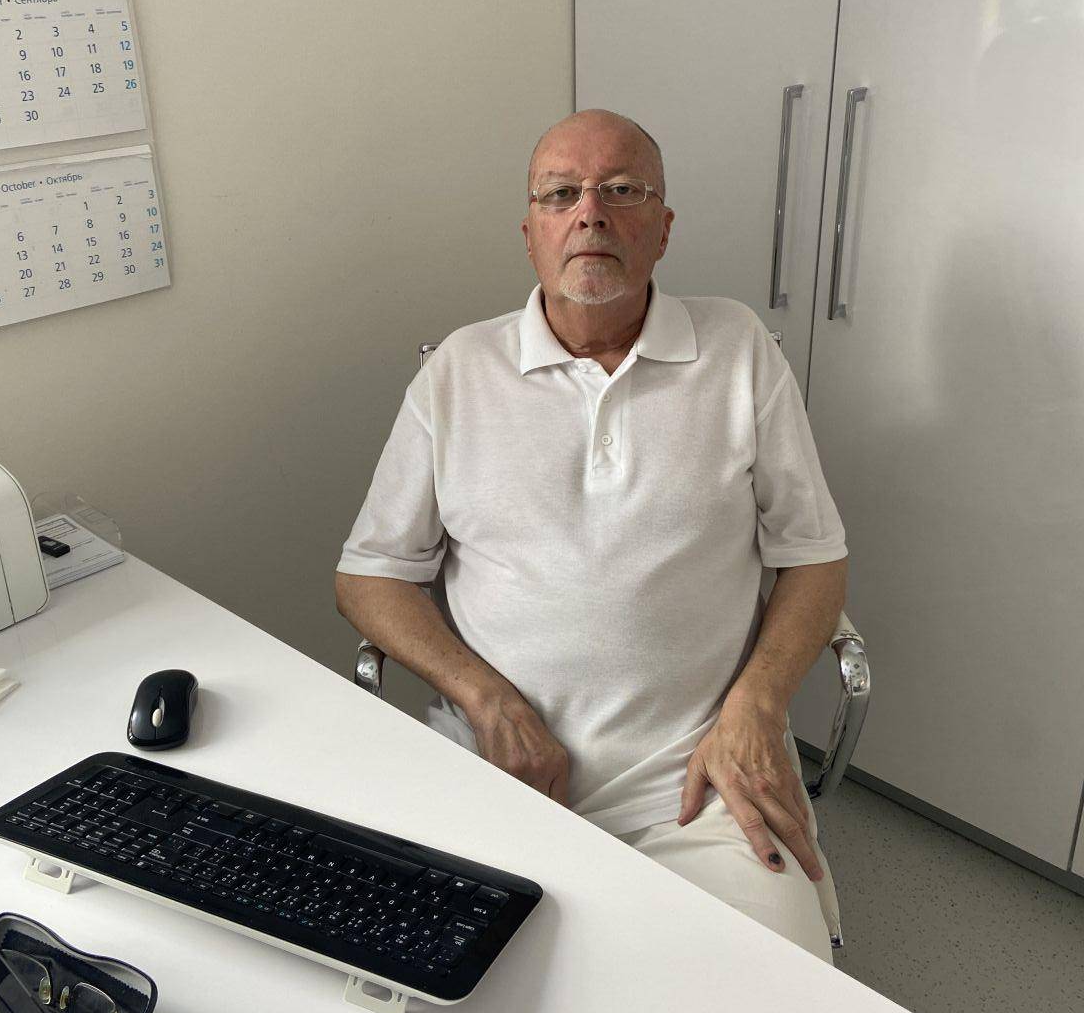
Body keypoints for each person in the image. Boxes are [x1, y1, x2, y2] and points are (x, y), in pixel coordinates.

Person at [335, 108, 848, 963]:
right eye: (561, 194)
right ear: (530, 233)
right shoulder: (459, 370)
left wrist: (757, 709)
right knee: (444, 992)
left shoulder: (738, 351)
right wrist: (487, 701)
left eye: (622, 190)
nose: (591, 214)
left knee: (781, 999)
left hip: (700, 779)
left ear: (664, 228)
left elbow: (814, 557)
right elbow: (370, 574)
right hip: (500, 766)